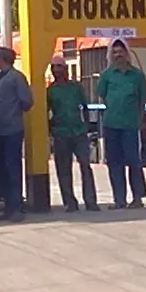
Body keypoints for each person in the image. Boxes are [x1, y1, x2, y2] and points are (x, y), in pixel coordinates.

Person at [94, 38, 146, 209]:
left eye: (121, 52)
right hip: (111, 124)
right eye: (115, 52)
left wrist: (137, 119)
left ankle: (137, 198)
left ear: (127, 54)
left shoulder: (137, 75)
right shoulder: (106, 75)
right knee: (114, 162)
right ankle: (119, 199)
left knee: (133, 161)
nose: (118, 55)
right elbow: (102, 96)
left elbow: (143, 100)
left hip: (130, 126)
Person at [0, 43, 33, 221]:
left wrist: (11, 109)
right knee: (0, 169)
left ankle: (17, 206)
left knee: (13, 168)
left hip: (11, 130)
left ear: (3, 59)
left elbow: (27, 101)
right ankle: (6, 204)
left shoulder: (16, 78)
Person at [44, 55, 99, 212]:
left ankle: (90, 201)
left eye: (59, 67)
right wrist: (51, 131)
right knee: (63, 168)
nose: (56, 70)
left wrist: (86, 126)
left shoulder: (76, 87)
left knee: (85, 165)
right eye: (53, 67)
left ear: (65, 69)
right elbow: (46, 112)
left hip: (78, 131)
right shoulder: (50, 91)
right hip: (61, 133)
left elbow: (85, 107)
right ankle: (69, 202)